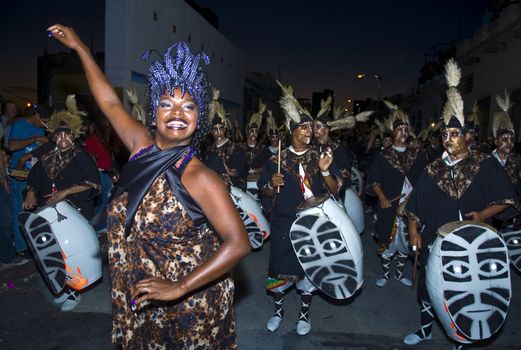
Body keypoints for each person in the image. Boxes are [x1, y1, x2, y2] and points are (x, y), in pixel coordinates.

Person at [48, 23, 250, 349]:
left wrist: (181, 286)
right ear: (153, 113)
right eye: (167, 104)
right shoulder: (141, 147)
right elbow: (110, 104)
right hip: (142, 293)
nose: (177, 113)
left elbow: (239, 243)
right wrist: (82, 49)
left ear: (200, 118)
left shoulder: (200, 178)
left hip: (191, 307)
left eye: (189, 106)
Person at [403, 60, 515, 350]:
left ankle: (461, 340)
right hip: (434, 240)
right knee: (429, 291)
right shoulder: (433, 169)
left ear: (468, 136)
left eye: (454, 134)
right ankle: (425, 330)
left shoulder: (485, 164)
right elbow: (414, 206)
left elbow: (506, 200)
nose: (448, 140)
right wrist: (414, 231)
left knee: (465, 293)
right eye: (444, 135)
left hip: (472, 244)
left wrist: (482, 216)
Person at [258, 81, 339, 336]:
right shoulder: (276, 159)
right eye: (304, 127)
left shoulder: (319, 156)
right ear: (292, 130)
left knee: (308, 269)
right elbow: (265, 193)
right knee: (280, 270)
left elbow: (335, 189)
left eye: (310, 128)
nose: (309, 131)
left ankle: (304, 315)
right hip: (284, 222)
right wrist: (271, 184)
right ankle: (279, 312)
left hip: (312, 223)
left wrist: (325, 171)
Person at [23, 95, 102, 311]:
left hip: (74, 211)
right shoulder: (48, 155)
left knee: (71, 253)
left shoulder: (82, 156)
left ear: (74, 135)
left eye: (67, 134)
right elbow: (35, 178)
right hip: (49, 213)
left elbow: (93, 184)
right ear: (54, 136)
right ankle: (66, 288)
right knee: (54, 255)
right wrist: (31, 192)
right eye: (59, 135)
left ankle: (74, 292)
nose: (63, 138)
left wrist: (64, 193)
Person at [366, 100, 427, 288]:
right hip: (389, 206)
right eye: (399, 128)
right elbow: (374, 180)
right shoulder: (384, 156)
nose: (403, 131)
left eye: (405, 129)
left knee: (405, 243)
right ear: (393, 132)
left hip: (410, 208)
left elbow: (424, 181)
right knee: (387, 240)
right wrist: (383, 197)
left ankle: (400, 274)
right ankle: (386, 274)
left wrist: (415, 199)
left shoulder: (416, 155)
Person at [8, 104, 49, 253]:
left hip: (35, 175)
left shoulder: (41, 128)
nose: (44, 124)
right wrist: (35, 139)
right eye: (43, 120)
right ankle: (21, 247)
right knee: (19, 211)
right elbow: (11, 146)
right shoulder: (20, 124)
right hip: (19, 174)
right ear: (36, 115)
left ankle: (33, 244)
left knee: (33, 210)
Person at [490, 89, 521, 210]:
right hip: (487, 212)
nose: (510, 143)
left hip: (511, 214)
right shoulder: (485, 160)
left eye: (512, 139)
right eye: (505, 139)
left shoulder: (520, 161)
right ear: (496, 141)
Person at [206, 88, 247, 188]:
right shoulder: (209, 150)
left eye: (221, 128)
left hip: (232, 189)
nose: (219, 132)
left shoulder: (236, 149)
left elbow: (242, 173)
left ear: (225, 130)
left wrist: (231, 172)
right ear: (211, 132)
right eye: (215, 129)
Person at [0, 148, 29, 270]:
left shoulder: (9, 170)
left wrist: (4, 177)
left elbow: (20, 174)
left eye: (5, 155)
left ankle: (7, 256)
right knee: (7, 219)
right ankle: (7, 256)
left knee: (7, 220)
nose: (3, 157)